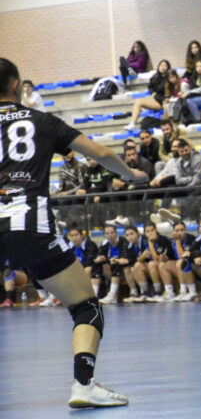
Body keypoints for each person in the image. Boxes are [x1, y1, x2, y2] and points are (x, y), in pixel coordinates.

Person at [0, 57, 145, 407]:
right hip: (30, 225)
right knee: (85, 306)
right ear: (17, 86)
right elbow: (100, 152)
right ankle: (83, 385)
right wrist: (128, 174)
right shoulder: (41, 120)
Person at [124, 59, 171, 131]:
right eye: (161, 65)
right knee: (138, 101)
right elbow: (150, 87)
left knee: (166, 107)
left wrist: (156, 96)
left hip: (165, 101)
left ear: (168, 68)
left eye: (165, 66)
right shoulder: (155, 76)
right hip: (157, 100)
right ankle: (133, 123)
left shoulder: (169, 78)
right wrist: (153, 93)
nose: (163, 67)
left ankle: (171, 125)